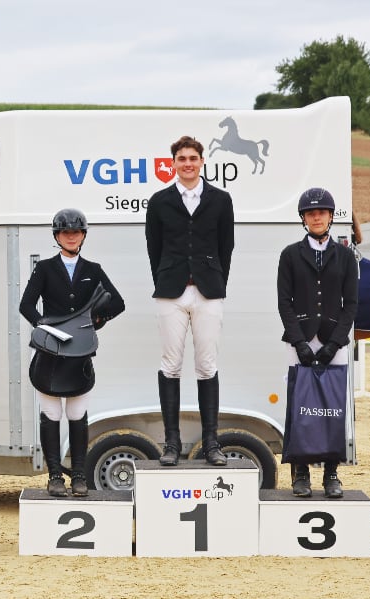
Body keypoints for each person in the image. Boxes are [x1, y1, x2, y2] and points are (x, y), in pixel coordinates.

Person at [20, 209, 126, 496]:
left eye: (75, 232)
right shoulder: (44, 268)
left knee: (77, 413)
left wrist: (96, 321)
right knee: (51, 413)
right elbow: (26, 305)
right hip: (50, 351)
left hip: (79, 352)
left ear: (83, 236)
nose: (71, 236)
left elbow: (117, 303)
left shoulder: (93, 269)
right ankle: (55, 476)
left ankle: (79, 475)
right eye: (65, 232)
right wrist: (44, 326)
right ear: (57, 236)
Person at [145, 135, 235, 467]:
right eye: (181, 159)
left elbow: (226, 246)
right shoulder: (160, 201)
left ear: (201, 162)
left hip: (208, 291)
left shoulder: (221, 200)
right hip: (171, 291)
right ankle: (171, 442)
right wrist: (167, 278)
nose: (187, 164)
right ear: (173, 164)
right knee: (170, 365)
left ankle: (211, 442)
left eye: (192, 158)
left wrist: (214, 279)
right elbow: (153, 247)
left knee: (206, 365)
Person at [277, 188, 358, 498]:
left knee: (333, 407)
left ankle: (331, 472)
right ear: (304, 219)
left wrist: (334, 343)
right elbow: (284, 302)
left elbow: (351, 303)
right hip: (300, 340)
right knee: (301, 407)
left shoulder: (345, 256)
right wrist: (299, 342)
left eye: (321, 212)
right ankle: (300, 473)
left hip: (333, 342)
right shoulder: (290, 254)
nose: (316, 217)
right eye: (311, 213)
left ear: (330, 216)